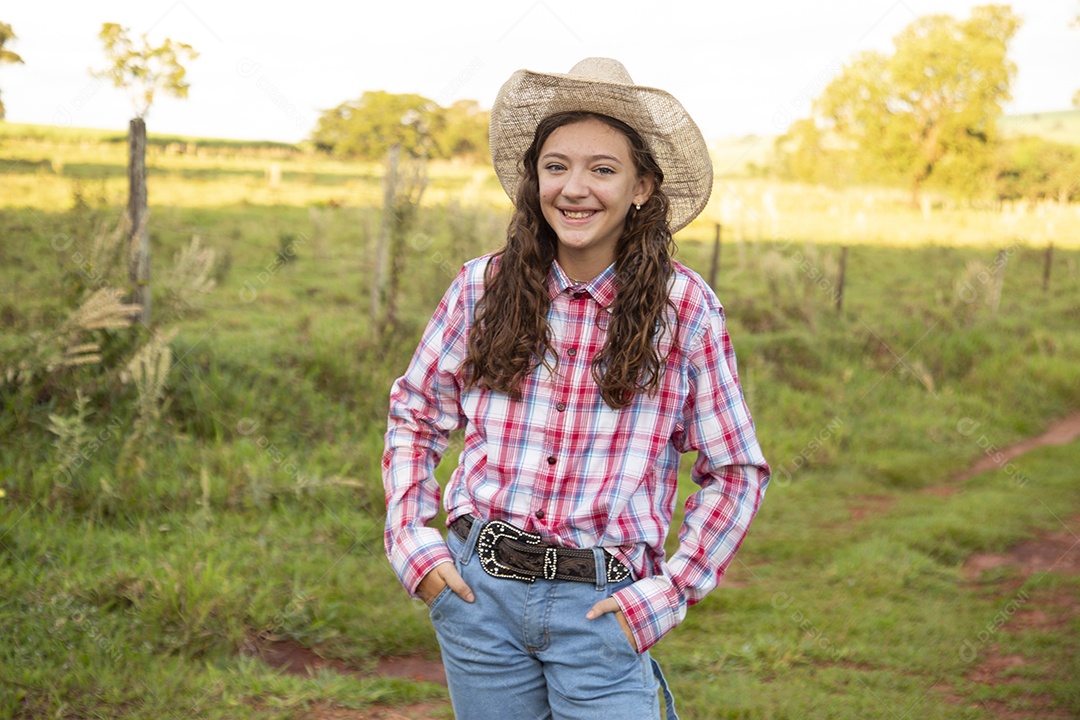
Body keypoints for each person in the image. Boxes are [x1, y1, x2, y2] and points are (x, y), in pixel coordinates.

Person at [383, 57, 769, 720]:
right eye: (556, 166)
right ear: (535, 179)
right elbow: (416, 414)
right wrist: (412, 543)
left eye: (603, 169)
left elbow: (735, 470)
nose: (575, 188)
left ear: (642, 186)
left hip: (602, 611)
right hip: (477, 598)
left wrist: (669, 593)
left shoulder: (683, 309)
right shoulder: (482, 287)